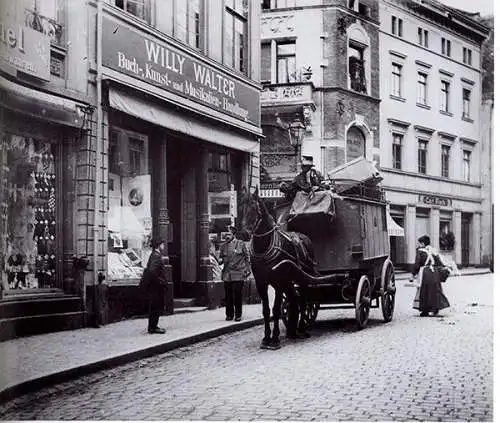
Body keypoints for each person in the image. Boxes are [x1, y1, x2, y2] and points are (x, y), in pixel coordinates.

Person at [410, 235, 450, 317]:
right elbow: (439, 262)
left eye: (419, 243)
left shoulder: (420, 252)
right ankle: (435, 308)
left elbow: (417, 265)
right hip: (434, 272)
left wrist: (413, 275)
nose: (418, 245)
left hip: (425, 272)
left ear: (423, 243)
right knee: (435, 290)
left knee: (424, 290)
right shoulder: (433, 251)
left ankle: (425, 310)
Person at [219, 226, 251, 322]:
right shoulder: (223, 246)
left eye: (229, 234)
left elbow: (247, 257)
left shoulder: (240, 244)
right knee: (228, 296)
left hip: (238, 273)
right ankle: (229, 315)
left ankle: (238, 315)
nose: (227, 236)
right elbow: (220, 259)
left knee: (237, 295)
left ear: (233, 234)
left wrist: (247, 269)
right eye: (226, 234)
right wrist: (220, 260)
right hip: (227, 274)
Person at [145, 237, 168, 334]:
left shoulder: (154, 254)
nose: (163, 245)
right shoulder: (156, 256)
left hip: (154, 286)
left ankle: (153, 326)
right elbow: (151, 271)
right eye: (162, 243)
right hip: (156, 287)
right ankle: (153, 327)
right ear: (159, 245)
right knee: (156, 306)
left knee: (155, 306)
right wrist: (160, 281)